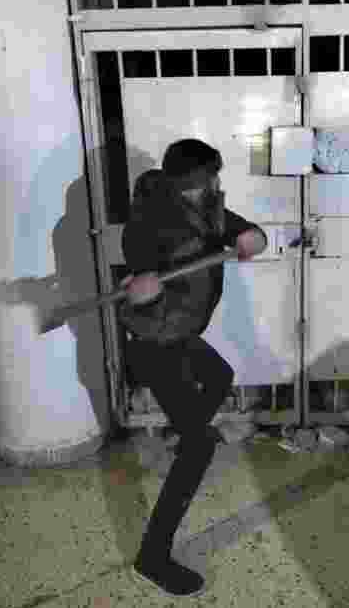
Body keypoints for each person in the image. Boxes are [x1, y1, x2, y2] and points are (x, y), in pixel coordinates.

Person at [117, 138, 267, 597]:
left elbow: (243, 232)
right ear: (189, 183)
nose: (216, 185)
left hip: (180, 333)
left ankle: (186, 438)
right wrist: (145, 288)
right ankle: (152, 556)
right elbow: (140, 273)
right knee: (200, 449)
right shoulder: (147, 224)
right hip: (153, 341)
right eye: (209, 179)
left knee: (220, 376)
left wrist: (249, 237)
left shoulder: (209, 207)